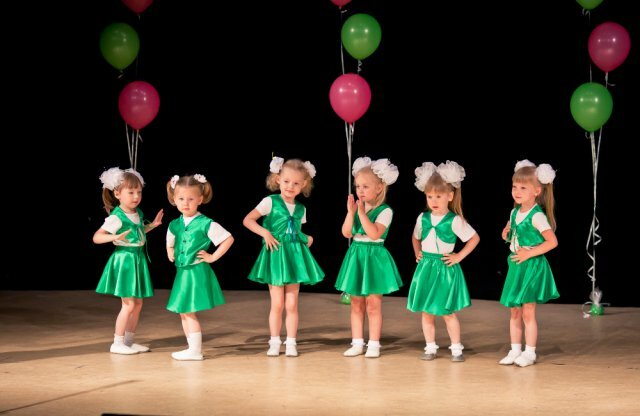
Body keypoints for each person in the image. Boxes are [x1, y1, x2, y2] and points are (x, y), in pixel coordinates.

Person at [243, 157, 325, 357]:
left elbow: (295, 232)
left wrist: (307, 238)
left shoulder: (301, 209)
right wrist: (265, 233)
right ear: (278, 179)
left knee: (292, 304)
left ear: (303, 184)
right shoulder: (270, 201)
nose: (290, 186)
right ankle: (274, 342)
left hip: (294, 257)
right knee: (277, 304)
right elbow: (248, 220)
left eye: (296, 183)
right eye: (287, 181)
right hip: (276, 255)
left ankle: (291, 343)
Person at [406, 161, 480, 362]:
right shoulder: (422, 218)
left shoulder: (454, 220)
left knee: (447, 311)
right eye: (430, 196)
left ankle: (456, 348)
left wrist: (458, 256)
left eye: (438, 196)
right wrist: (417, 252)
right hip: (426, 268)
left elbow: (474, 238)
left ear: (450, 196)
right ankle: (430, 347)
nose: (434, 200)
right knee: (426, 311)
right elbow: (415, 237)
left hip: (444, 269)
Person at [335, 156, 403, 358]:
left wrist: (361, 214)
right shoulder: (357, 209)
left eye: (365, 186)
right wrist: (351, 213)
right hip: (356, 256)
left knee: (373, 305)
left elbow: (374, 233)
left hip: (374, 258)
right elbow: (346, 233)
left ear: (379, 187)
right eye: (358, 186)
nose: (360, 191)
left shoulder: (385, 211)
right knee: (356, 304)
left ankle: (374, 344)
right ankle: (357, 343)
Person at [93, 167, 163, 355]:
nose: (136, 196)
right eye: (131, 192)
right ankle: (117, 343)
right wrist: (114, 237)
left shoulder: (137, 212)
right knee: (129, 304)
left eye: (139, 192)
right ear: (117, 194)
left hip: (137, 259)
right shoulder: (117, 216)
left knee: (138, 303)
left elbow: (137, 233)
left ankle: (128, 341)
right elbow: (97, 237)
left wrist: (152, 226)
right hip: (125, 260)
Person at [165, 174, 234, 361]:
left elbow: (228, 239)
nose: (185, 203)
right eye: (181, 198)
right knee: (183, 311)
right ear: (174, 199)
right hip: (183, 272)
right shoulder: (175, 224)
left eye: (190, 199)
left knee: (188, 310)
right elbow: (170, 239)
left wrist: (212, 257)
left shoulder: (206, 223)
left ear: (200, 199)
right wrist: (169, 250)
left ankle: (195, 351)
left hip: (195, 272)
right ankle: (191, 348)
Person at [499, 160, 559, 368]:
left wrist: (529, 253)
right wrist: (506, 234)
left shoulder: (537, 216)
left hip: (532, 266)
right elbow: (515, 237)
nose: (517, 191)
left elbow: (552, 242)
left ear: (536, 191)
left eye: (523, 188)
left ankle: (530, 352)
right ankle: (515, 350)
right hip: (517, 265)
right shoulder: (514, 212)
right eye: (514, 186)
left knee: (528, 311)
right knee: (514, 310)